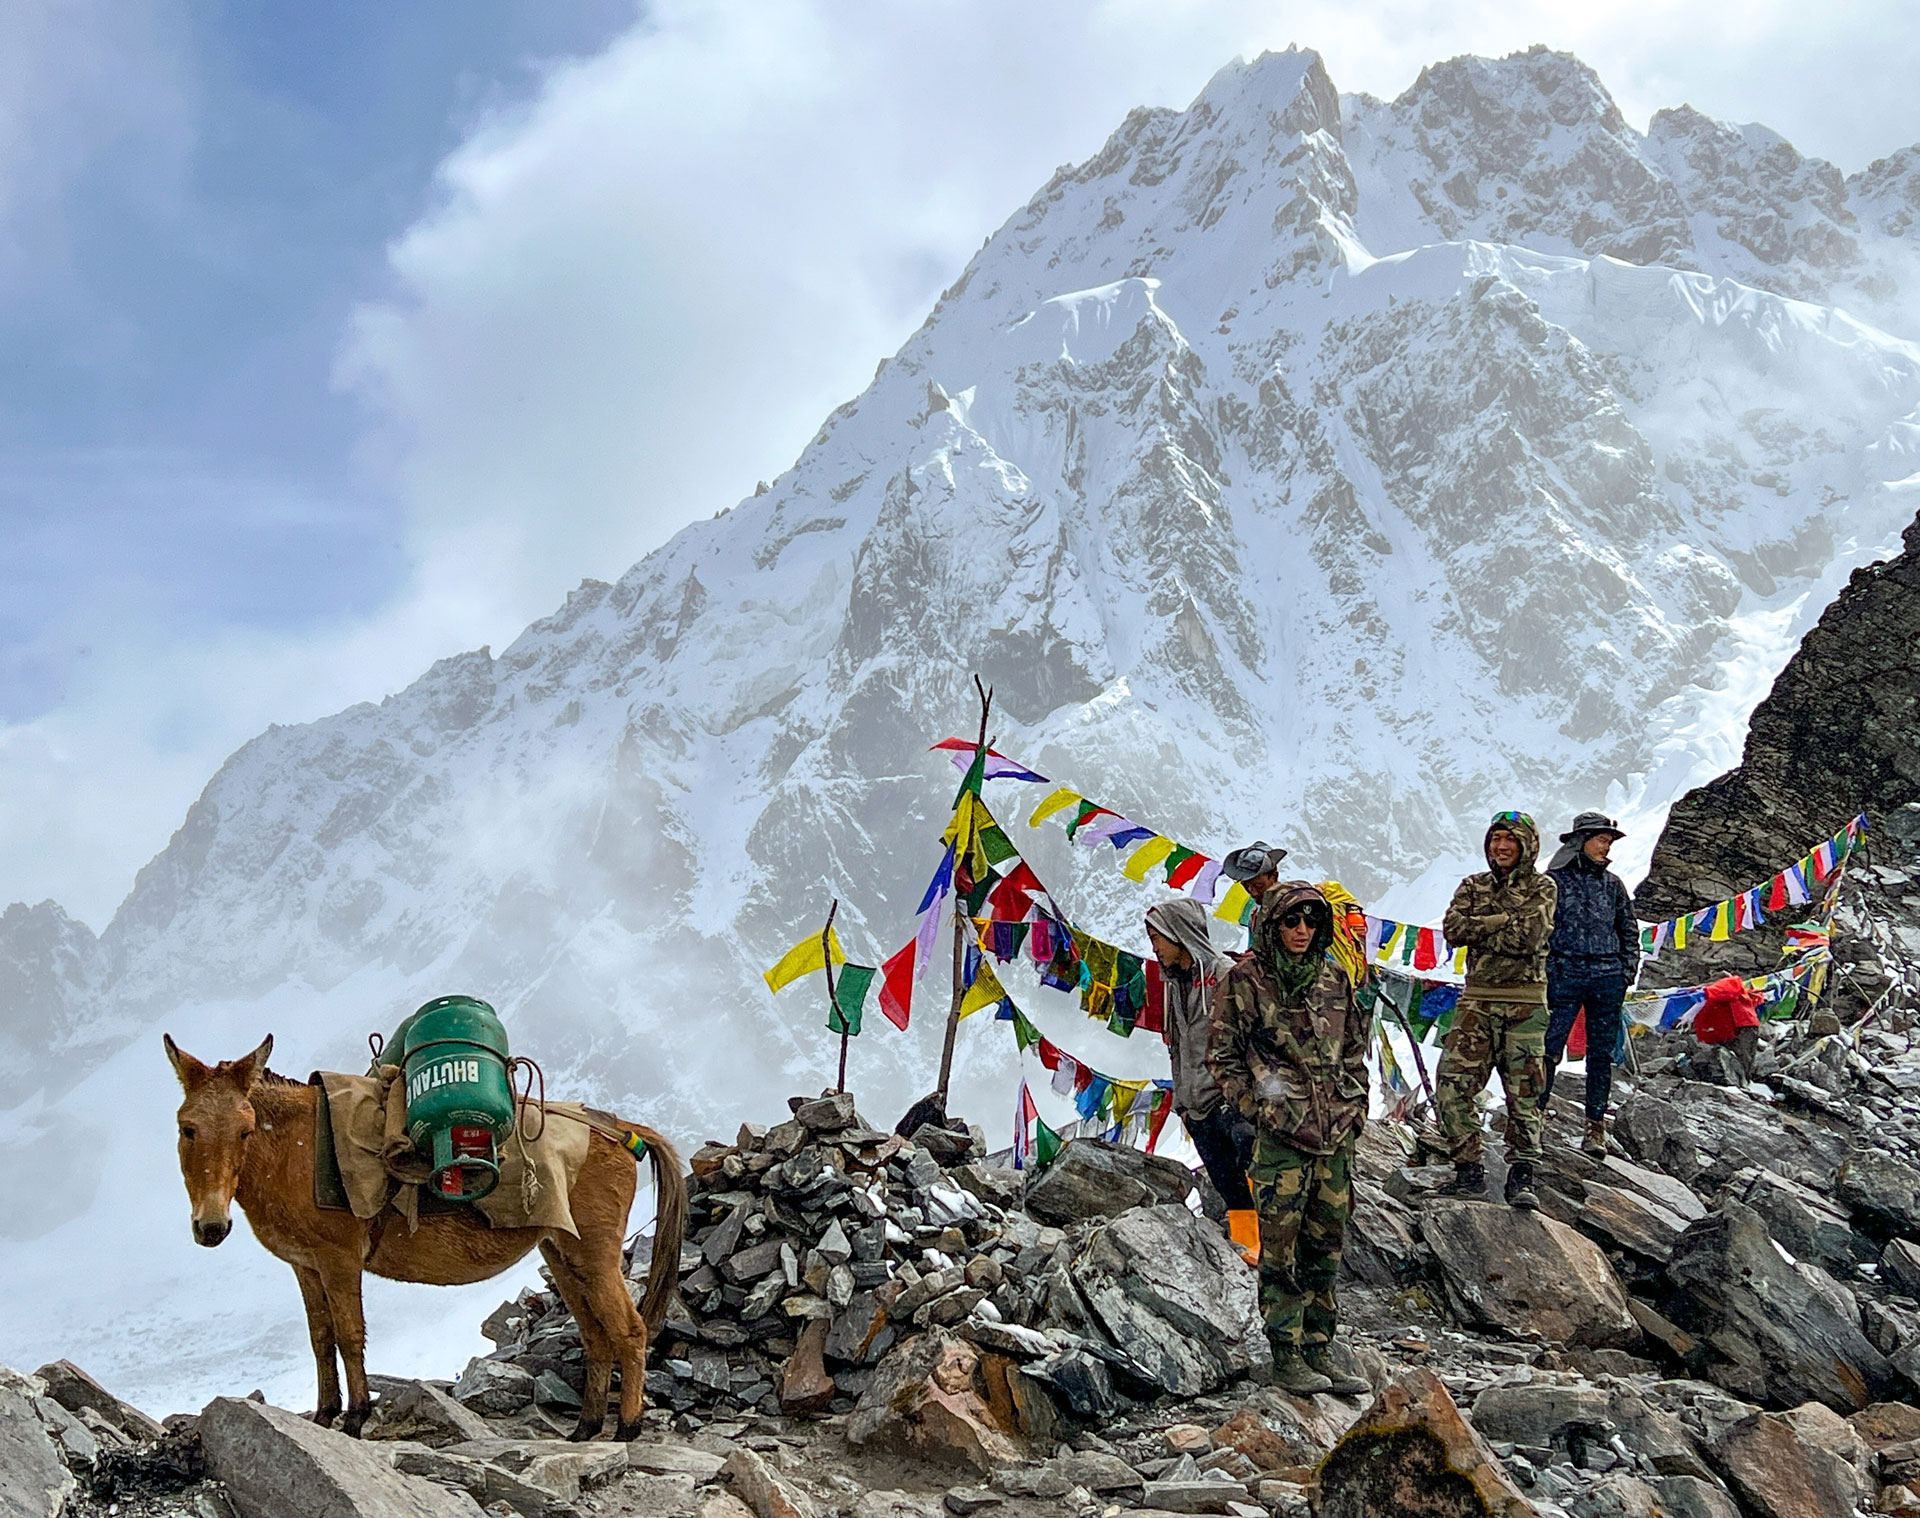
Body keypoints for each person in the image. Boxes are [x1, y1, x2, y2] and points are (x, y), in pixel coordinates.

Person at [1209, 882, 1371, 1398]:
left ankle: (1321, 1349)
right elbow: (1221, 1055)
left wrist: (1356, 1104)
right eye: (1291, 921)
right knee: (1280, 1248)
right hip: (1281, 1139)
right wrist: (1259, 1108)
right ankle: (1285, 1353)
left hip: (1335, 1136)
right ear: (1272, 924)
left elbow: (1354, 1048)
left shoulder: (1334, 977)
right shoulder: (1246, 981)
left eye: (1309, 921)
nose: (1301, 930)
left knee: (1326, 1244)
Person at [1434, 812, 1558, 1210]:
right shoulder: (1473, 884)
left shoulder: (1544, 886)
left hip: (1526, 1003)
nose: (1501, 846)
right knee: (1452, 1085)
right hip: (1476, 1001)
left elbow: (1530, 937)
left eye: (1510, 839)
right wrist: (1505, 919)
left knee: (1524, 1093)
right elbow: (1453, 930)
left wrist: (1483, 924)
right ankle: (1468, 1170)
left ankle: (1523, 1175)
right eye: (1495, 839)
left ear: (1527, 845)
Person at [1144, 899, 1256, 1265]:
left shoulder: (1226, 976)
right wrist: (1183, 1104)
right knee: (1228, 1184)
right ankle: (1248, 1249)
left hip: (1230, 1100)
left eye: (1158, 938)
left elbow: (1254, 1041)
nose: (1155, 947)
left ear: (1180, 935)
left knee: (1252, 1166)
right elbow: (1176, 1045)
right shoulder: (1175, 984)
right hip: (1196, 1105)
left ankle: (1277, 1245)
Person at [1541, 812, 1638, 1158]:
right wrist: (1549, 970)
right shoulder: (1552, 884)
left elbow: (1628, 930)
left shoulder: (1613, 885)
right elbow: (1539, 932)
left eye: (1608, 841)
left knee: (1601, 1055)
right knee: (1548, 1049)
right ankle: (1532, 1121)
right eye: (1601, 840)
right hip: (1563, 976)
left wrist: (1625, 971)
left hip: (1606, 977)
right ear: (1580, 841)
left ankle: (1595, 1127)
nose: (1606, 847)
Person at [1221, 841, 1289, 941]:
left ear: (1274, 877)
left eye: (1258, 885)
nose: (1253, 892)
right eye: (1245, 886)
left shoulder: (1292, 907)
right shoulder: (1254, 911)